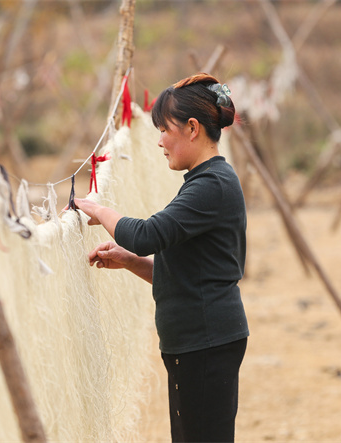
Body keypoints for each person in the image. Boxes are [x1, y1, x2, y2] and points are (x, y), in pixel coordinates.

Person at [73, 73, 248, 442]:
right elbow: (189, 273)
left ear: (192, 128)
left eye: (165, 130)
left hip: (206, 343)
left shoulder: (211, 185)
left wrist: (98, 210)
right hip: (200, 342)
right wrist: (128, 261)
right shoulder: (207, 182)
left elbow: (146, 235)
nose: (160, 142)